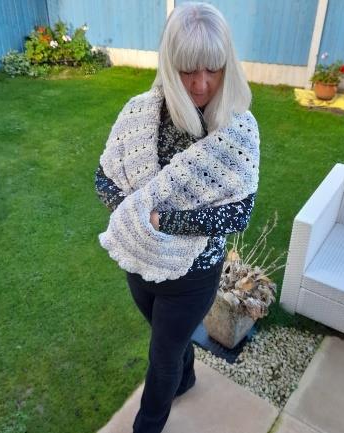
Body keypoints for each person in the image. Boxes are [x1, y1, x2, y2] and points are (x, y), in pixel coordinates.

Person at [94, 2, 260, 432]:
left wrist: (163, 222)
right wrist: (136, 217)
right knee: (169, 339)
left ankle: (147, 425)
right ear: (169, 65)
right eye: (188, 70)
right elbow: (104, 178)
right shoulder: (138, 114)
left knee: (161, 354)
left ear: (228, 65)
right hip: (139, 261)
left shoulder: (237, 129)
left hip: (194, 274)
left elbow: (238, 213)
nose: (201, 84)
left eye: (213, 69)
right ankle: (186, 377)